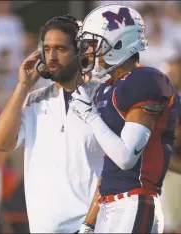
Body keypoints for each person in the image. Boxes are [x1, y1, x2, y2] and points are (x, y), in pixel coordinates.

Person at [70, 4, 178, 233]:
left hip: (135, 202)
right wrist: (89, 222)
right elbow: (110, 166)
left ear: (118, 43)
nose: (89, 52)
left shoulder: (146, 80)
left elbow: (126, 158)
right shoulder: (106, 89)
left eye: (94, 44)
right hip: (111, 205)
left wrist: (89, 115)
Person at [0, 14, 104, 233]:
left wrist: (90, 223)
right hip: (44, 227)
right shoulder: (33, 98)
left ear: (80, 52)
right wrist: (23, 87)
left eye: (61, 49)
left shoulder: (106, 95)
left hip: (94, 226)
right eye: (47, 49)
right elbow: (1, 143)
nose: (52, 57)